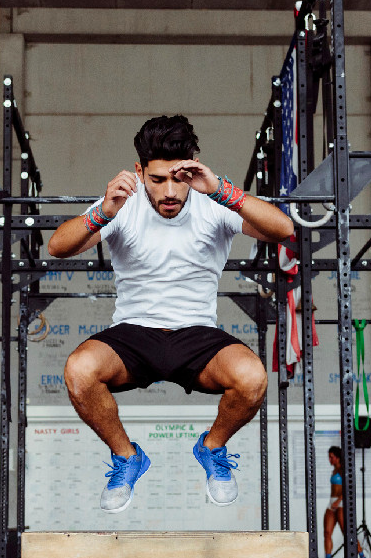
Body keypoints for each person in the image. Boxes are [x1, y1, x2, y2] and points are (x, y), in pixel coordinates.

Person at [48, 115, 294, 512]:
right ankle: (127, 457)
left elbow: (284, 229)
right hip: (132, 334)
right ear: (139, 171)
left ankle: (212, 448)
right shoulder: (121, 205)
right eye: (158, 179)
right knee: (79, 369)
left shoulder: (214, 202)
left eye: (179, 178)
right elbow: (57, 247)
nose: (170, 191)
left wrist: (220, 190)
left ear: (193, 167)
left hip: (198, 336)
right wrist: (105, 208)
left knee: (252, 378)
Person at [322, 445, 369, 558]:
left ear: (337, 458)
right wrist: (334, 501)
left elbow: (349, 488)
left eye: (331, 457)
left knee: (348, 533)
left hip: (341, 503)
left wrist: (339, 500)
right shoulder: (334, 470)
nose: (330, 460)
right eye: (329, 457)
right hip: (332, 503)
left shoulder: (344, 470)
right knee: (327, 533)